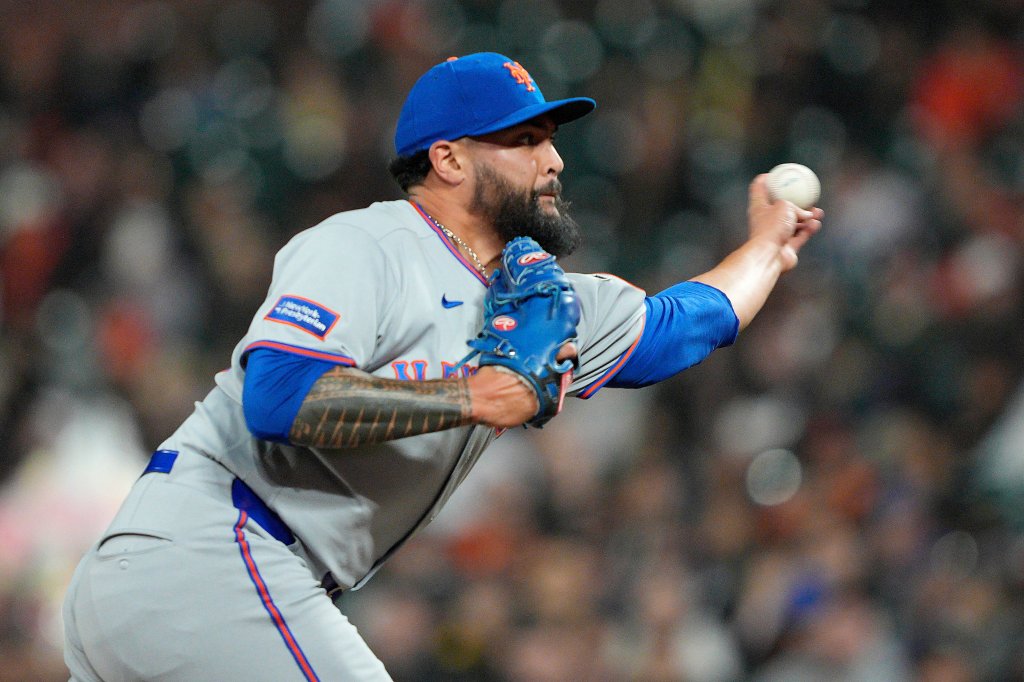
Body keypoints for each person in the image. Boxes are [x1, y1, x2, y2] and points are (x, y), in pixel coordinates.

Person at [62, 52, 822, 681]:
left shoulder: (538, 305)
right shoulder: (370, 246)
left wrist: (767, 247)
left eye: (550, 137)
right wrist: (474, 394)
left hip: (215, 594)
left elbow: (686, 326)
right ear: (449, 158)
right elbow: (276, 394)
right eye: (524, 139)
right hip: (210, 548)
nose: (554, 159)